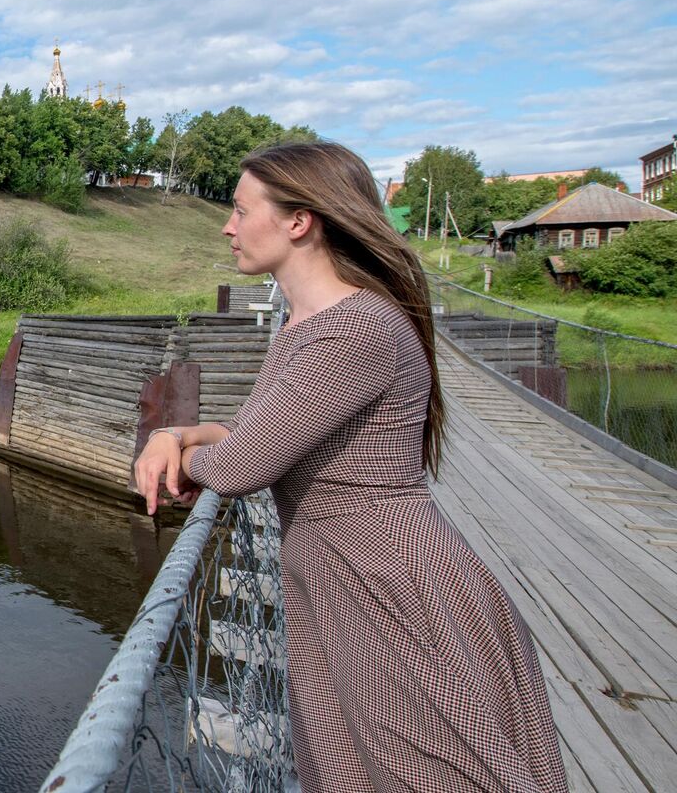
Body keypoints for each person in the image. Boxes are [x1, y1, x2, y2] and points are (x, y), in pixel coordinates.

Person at [132, 141, 565, 793]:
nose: (227, 226)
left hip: (386, 583)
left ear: (299, 221)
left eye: (241, 209)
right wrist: (181, 433)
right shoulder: (311, 323)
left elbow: (244, 463)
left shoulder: (355, 330)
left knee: (421, 773)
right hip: (337, 575)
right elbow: (257, 434)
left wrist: (181, 452)